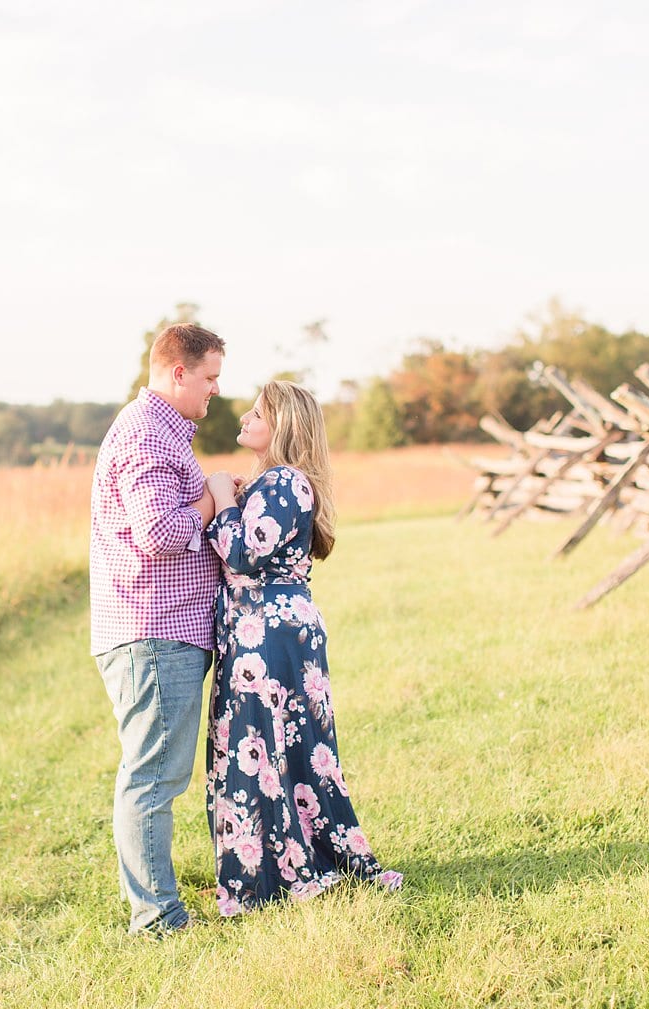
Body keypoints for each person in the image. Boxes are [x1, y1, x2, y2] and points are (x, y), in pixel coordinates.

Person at [202, 380, 402, 917]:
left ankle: (274, 873)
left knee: (266, 743)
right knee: (279, 745)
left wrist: (223, 497)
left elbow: (243, 556)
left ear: (283, 425)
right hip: (268, 630)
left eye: (258, 412)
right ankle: (288, 860)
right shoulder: (276, 484)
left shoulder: (287, 482)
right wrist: (242, 498)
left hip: (268, 634)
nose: (244, 416)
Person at [90, 322, 225, 935]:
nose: (215, 392)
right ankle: (157, 917)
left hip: (164, 630)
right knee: (152, 776)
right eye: (210, 378)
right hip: (154, 631)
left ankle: (158, 904)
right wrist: (212, 501)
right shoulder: (148, 436)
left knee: (157, 773)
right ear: (178, 372)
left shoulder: (163, 432)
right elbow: (161, 533)